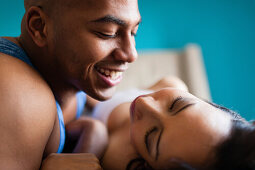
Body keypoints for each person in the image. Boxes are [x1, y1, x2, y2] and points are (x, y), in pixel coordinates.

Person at [0, 0, 141, 169]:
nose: (131, 54)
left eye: (134, 32)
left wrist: (95, 134)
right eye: (107, 33)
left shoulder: (74, 77)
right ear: (40, 26)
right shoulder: (19, 94)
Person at [92, 76, 255, 170]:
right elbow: (106, 95)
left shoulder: (121, 160)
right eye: (177, 103)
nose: (144, 104)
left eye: (151, 136)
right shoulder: (171, 84)